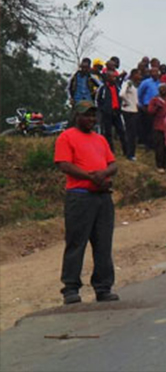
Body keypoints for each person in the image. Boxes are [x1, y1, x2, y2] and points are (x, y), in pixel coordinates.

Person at [53, 101, 120, 305]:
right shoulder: (66, 137)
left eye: (93, 116)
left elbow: (113, 164)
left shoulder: (100, 139)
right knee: (76, 242)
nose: (91, 119)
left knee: (103, 243)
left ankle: (103, 287)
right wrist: (90, 177)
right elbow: (64, 164)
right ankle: (71, 288)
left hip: (102, 196)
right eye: (86, 115)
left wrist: (103, 174)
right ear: (77, 117)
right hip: (80, 196)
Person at [95, 71, 127, 156]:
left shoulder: (118, 87)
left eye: (115, 77)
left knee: (122, 131)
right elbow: (97, 100)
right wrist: (102, 110)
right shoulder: (103, 88)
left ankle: (126, 151)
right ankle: (110, 152)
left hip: (117, 112)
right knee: (108, 133)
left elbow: (122, 97)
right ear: (108, 77)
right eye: (112, 77)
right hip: (107, 113)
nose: (114, 78)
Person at [137, 67, 161, 150]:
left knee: (155, 126)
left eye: (156, 72)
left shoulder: (160, 83)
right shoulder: (145, 82)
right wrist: (141, 105)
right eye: (153, 72)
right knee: (147, 126)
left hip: (157, 107)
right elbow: (139, 94)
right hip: (147, 106)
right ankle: (147, 144)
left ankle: (153, 144)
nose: (155, 74)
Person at [148, 83, 166, 172]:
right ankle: (159, 165)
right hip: (158, 126)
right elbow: (150, 111)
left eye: (165, 89)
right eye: (162, 89)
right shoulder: (155, 100)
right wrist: (157, 107)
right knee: (159, 147)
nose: (163, 91)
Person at [120, 68, 141, 161]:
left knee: (133, 133)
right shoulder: (128, 83)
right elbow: (121, 94)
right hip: (128, 110)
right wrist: (127, 102)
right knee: (129, 133)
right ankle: (129, 153)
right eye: (138, 74)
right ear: (133, 75)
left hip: (134, 110)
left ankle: (132, 153)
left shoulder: (135, 85)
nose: (140, 76)